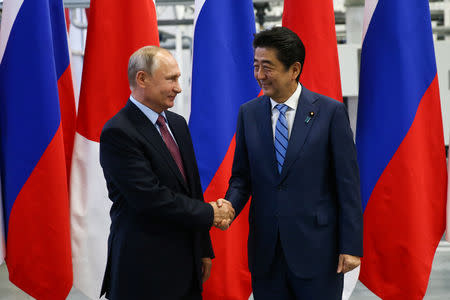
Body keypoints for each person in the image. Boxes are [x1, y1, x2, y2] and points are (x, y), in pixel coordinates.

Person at [219, 27, 363, 299]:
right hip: (267, 253)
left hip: (318, 251)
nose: (259, 75)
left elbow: (348, 184)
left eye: (267, 68)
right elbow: (241, 178)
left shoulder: (330, 112)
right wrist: (229, 206)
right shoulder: (249, 113)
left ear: (294, 69)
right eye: (256, 66)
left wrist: (351, 245)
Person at [99, 46, 234, 300]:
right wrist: (211, 213)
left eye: (178, 79)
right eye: (171, 79)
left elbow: (192, 189)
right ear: (142, 79)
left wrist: (203, 248)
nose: (179, 87)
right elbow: (150, 198)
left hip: (187, 267)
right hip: (143, 271)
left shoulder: (177, 124)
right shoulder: (118, 132)